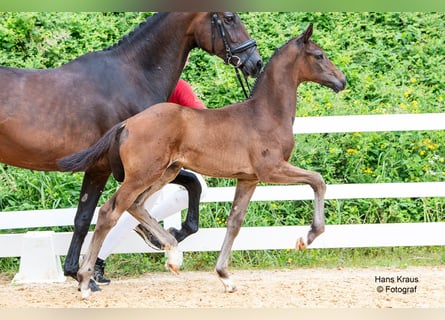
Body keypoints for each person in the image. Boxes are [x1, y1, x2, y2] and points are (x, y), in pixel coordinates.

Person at [93, 66, 208, 285]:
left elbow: (200, 114)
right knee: (130, 207)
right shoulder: (148, 87)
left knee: (197, 187)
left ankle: (145, 224)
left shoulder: (174, 87)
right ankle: (98, 259)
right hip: (145, 160)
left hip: (165, 161)